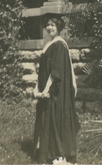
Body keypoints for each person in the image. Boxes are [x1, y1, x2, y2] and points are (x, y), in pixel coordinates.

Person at [33, 15, 80, 164]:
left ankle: (59, 154)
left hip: (55, 92)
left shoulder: (59, 45)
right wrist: (37, 88)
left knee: (54, 121)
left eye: (53, 25)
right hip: (47, 90)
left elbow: (56, 72)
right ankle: (47, 151)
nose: (49, 27)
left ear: (59, 27)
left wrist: (46, 89)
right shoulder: (51, 44)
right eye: (47, 25)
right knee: (47, 120)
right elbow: (43, 71)